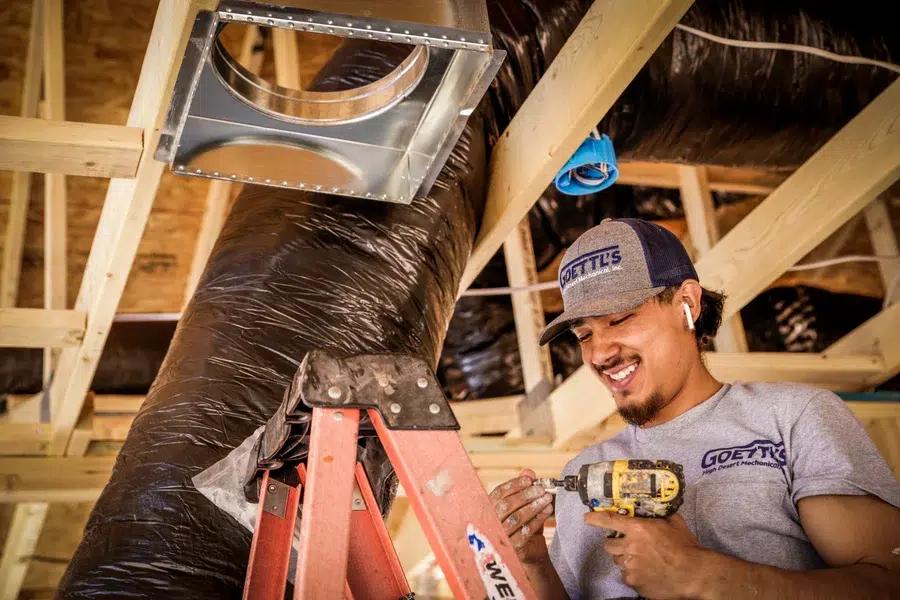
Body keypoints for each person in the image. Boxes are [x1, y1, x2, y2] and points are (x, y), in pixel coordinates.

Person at [489, 218, 900, 599]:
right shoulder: (583, 472)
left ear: (688, 302)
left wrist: (702, 574)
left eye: (620, 319)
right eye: (583, 334)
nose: (598, 352)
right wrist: (533, 563)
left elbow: (887, 581)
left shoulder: (792, 418)